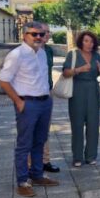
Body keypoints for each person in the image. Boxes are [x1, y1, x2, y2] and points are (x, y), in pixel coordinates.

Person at [0, 21, 59, 197]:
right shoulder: (16, 55)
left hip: (44, 101)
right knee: (24, 144)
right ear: (24, 35)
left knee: (40, 141)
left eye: (41, 34)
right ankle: (23, 181)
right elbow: (3, 80)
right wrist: (18, 101)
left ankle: (37, 175)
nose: (39, 37)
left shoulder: (41, 53)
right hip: (28, 104)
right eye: (34, 34)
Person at [62, 31, 100, 167]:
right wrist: (79, 69)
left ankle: (91, 156)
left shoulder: (96, 56)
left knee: (93, 125)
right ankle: (77, 157)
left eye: (92, 41)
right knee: (77, 125)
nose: (89, 44)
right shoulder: (73, 54)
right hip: (77, 91)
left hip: (93, 90)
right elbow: (65, 73)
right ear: (81, 41)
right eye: (86, 41)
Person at [40, 23, 60, 172]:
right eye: (44, 32)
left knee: (45, 130)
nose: (48, 34)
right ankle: (30, 166)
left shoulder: (48, 50)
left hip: (47, 92)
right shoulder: (27, 51)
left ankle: (45, 161)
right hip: (32, 95)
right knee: (32, 132)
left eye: (49, 32)